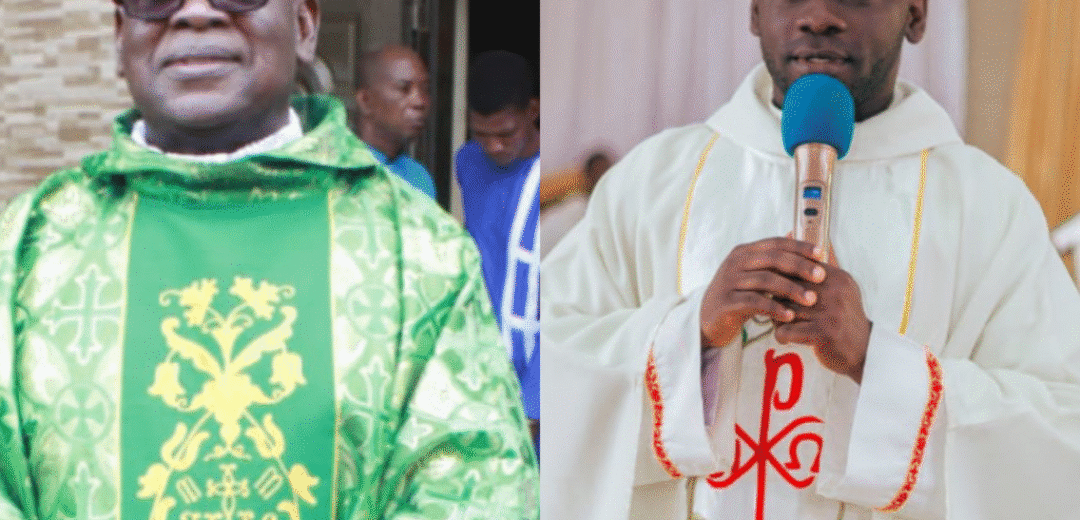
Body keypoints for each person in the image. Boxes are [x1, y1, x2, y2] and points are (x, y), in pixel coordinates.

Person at [541, 0, 1080, 518]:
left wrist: (875, 361)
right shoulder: (653, 181)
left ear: (915, 14)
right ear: (755, 11)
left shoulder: (987, 208)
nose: (819, 16)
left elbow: (1061, 433)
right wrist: (691, 334)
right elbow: (545, 367)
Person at [0, 1, 539, 519]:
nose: (196, 12)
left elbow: (477, 489)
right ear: (122, 33)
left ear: (303, 25)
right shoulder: (28, 246)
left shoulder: (421, 253)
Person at [455, 50, 541, 438]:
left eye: (505, 134)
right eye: (481, 134)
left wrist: (534, 405)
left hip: (535, 380)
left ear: (533, 111)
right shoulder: (468, 162)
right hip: (478, 372)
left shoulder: (552, 180)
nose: (493, 146)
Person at [354, 44, 437, 199]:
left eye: (425, 89)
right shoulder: (340, 173)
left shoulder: (419, 178)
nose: (420, 101)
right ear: (365, 100)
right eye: (404, 89)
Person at [538, 150, 613, 258]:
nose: (602, 178)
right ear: (588, 176)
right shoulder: (576, 209)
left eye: (606, 172)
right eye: (599, 173)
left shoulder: (598, 210)